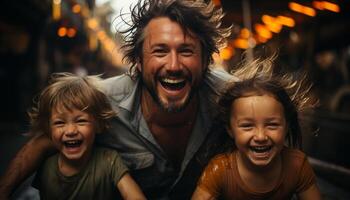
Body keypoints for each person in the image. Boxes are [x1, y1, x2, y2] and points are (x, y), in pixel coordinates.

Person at [0, 0, 235, 199]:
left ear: (205, 61)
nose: (173, 66)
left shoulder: (230, 98)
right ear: (139, 63)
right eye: (160, 51)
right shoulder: (102, 101)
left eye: (186, 51)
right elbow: (41, 144)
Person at [191, 56, 322, 199]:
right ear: (230, 130)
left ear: (286, 126)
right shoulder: (220, 170)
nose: (261, 137)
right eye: (247, 126)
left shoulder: (296, 165)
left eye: (272, 125)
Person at [28, 73, 146, 200]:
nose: (71, 131)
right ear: (48, 129)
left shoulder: (109, 161)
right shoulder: (46, 167)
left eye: (80, 121)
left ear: (99, 125)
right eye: (59, 123)